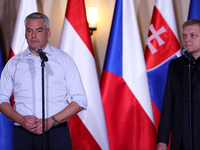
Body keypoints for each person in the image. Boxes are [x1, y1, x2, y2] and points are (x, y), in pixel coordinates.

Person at [0, 12, 87, 150]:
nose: (34, 35)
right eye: (30, 31)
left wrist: (51, 121)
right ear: (25, 34)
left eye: (39, 30)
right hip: (24, 136)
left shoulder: (64, 60)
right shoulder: (13, 63)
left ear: (48, 33)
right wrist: (20, 119)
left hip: (56, 134)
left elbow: (80, 100)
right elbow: (1, 99)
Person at [156, 19, 200, 150]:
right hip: (180, 140)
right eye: (185, 35)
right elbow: (168, 104)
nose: (187, 39)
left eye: (193, 35)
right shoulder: (176, 65)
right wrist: (162, 140)